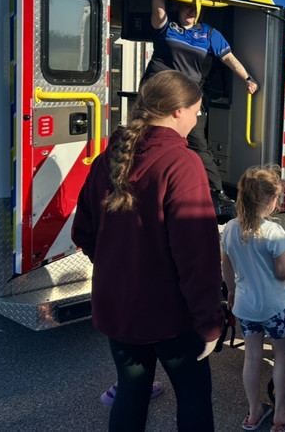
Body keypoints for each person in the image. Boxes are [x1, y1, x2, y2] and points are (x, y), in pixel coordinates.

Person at [72, 70, 224, 432]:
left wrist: (119, 268)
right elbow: (197, 257)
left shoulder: (108, 158)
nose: (196, 119)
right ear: (177, 112)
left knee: (131, 391)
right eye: (196, 111)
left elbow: (84, 232)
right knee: (193, 398)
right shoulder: (182, 164)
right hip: (171, 317)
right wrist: (209, 321)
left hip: (119, 310)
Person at [143, 0, 259, 220]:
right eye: (186, 7)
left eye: (195, 8)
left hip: (186, 98)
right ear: (177, 7)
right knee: (149, 140)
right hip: (157, 95)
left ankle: (217, 193)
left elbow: (229, 59)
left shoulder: (208, 33)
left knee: (197, 144)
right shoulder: (168, 26)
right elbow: (158, 11)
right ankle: (145, 189)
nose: (191, 12)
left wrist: (247, 79)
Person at [220, 165, 285, 432]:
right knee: (281, 356)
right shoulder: (273, 232)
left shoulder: (231, 229)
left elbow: (226, 266)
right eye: (277, 198)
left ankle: (255, 412)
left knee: (252, 357)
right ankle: (281, 413)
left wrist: (231, 291)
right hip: (273, 307)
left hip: (245, 306)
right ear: (269, 201)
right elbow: (282, 270)